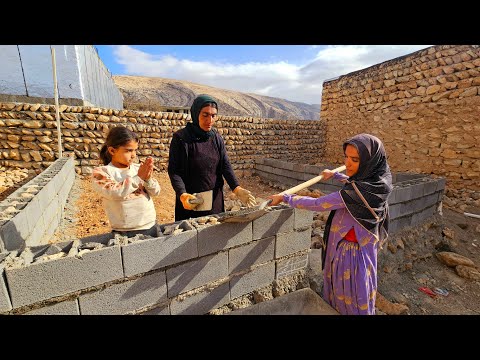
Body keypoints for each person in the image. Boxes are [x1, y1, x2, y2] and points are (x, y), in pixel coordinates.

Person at [268, 133, 392, 315]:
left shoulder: (355, 194)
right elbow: (355, 182)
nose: (348, 163)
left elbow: (318, 204)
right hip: (364, 251)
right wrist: (336, 175)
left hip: (350, 256)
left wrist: (286, 198)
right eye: (346, 157)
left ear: (369, 162)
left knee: (348, 294)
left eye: (355, 160)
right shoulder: (379, 182)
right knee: (358, 292)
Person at [168, 94, 256, 221]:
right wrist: (182, 194)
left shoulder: (216, 138)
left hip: (214, 200)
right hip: (191, 201)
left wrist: (237, 188)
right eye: (205, 115)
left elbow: (225, 165)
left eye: (213, 115)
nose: (210, 120)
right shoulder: (181, 138)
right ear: (196, 113)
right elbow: (174, 171)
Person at [92, 126, 161, 238]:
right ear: (112, 150)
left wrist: (148, 179)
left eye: (135, 150)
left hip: (151, 225)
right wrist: (139, 177)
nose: (133, 155)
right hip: (125, 232)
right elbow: (115, 192)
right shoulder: (102, 173)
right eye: (129, 150)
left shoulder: (138, 168)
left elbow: (156, 192)